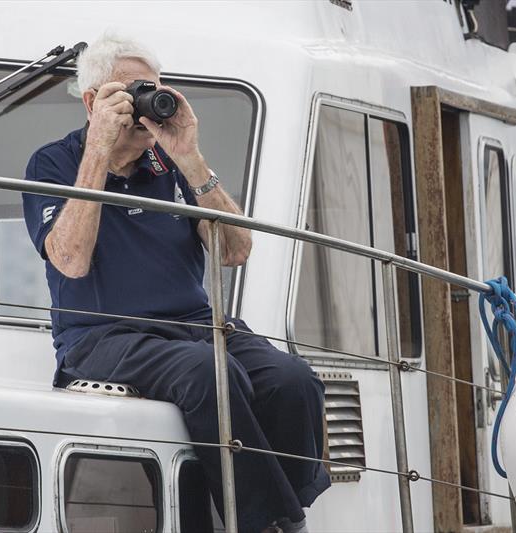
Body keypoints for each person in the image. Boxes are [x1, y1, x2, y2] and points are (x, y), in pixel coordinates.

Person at [22, 33, 330, 533]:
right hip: (103, 335)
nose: (144, 104)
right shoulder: (54, 163)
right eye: (128, 91)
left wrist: (188, 155)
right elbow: (71, 261)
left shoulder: (168, 163)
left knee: (294, 382)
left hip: (195, 326)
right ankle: (267, 522)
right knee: (212, 373)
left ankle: (284, 512)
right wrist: (99, 149)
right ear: (91, 101)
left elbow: (235, 251)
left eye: (152, 90)